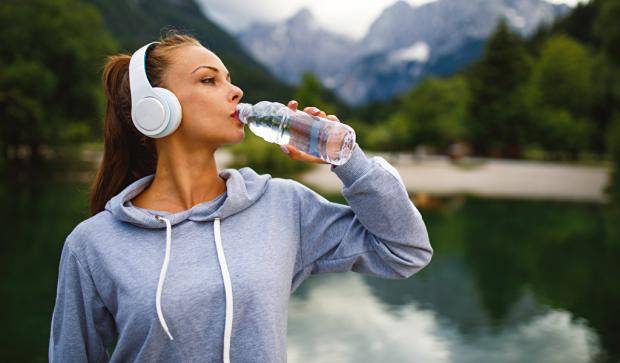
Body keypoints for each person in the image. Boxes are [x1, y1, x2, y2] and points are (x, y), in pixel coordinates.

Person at [48, 31, 433, 362]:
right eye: (208, 81)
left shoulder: (283, 206)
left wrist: (347, 158)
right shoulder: (93, 244)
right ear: (156, 109)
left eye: (229, 78)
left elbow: (406, 252)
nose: (236, 91)